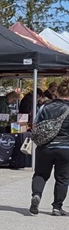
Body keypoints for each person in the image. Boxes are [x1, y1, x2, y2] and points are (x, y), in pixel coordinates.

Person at [30, 78, 69, 216]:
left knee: (40, 174)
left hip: (45, 146)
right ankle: (57, 207)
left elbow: (35, 126)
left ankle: (37, 195)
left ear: (57, 92)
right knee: (63, 178)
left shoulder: (44, 107)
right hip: (65, 147)